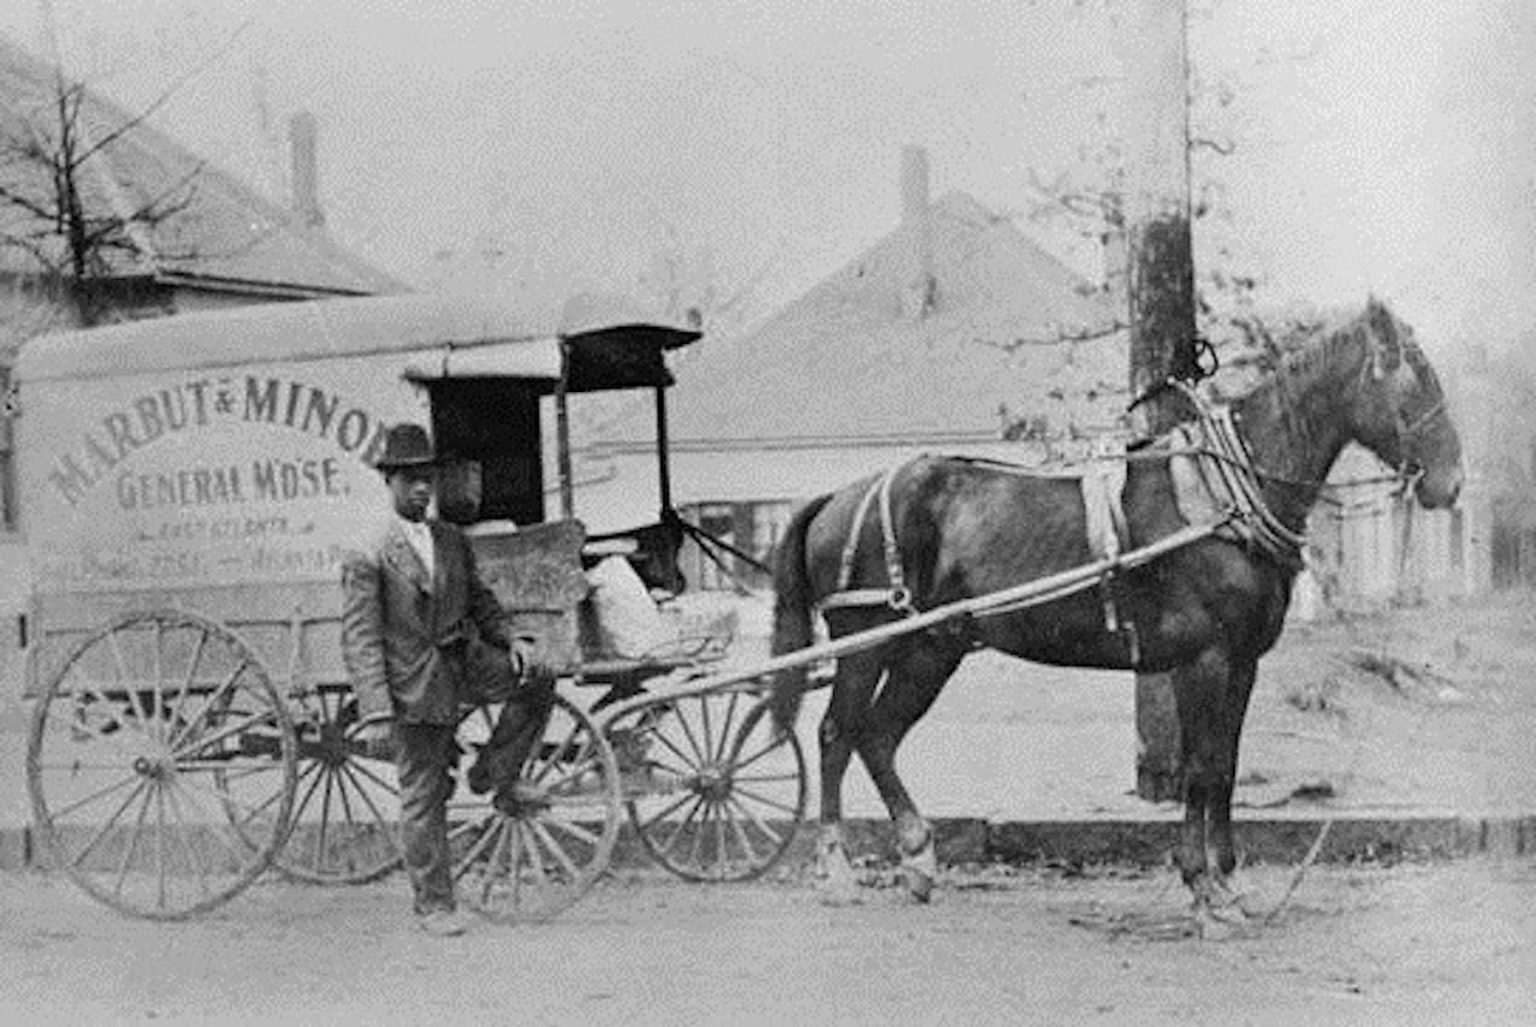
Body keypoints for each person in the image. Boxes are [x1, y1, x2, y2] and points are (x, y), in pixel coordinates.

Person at [340, 423, 556, 937]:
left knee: (540, 679)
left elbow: (481, 602)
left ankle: (493, 774)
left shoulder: (451, 539)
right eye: (410, 479)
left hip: (464, 659)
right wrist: (375, 709)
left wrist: (512, 642)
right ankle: (433, 906)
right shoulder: (368, 552)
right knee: (424, 792)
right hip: (413, 682)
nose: (421, 489)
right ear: (389, 482)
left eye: (427, 479)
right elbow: (361, 639)